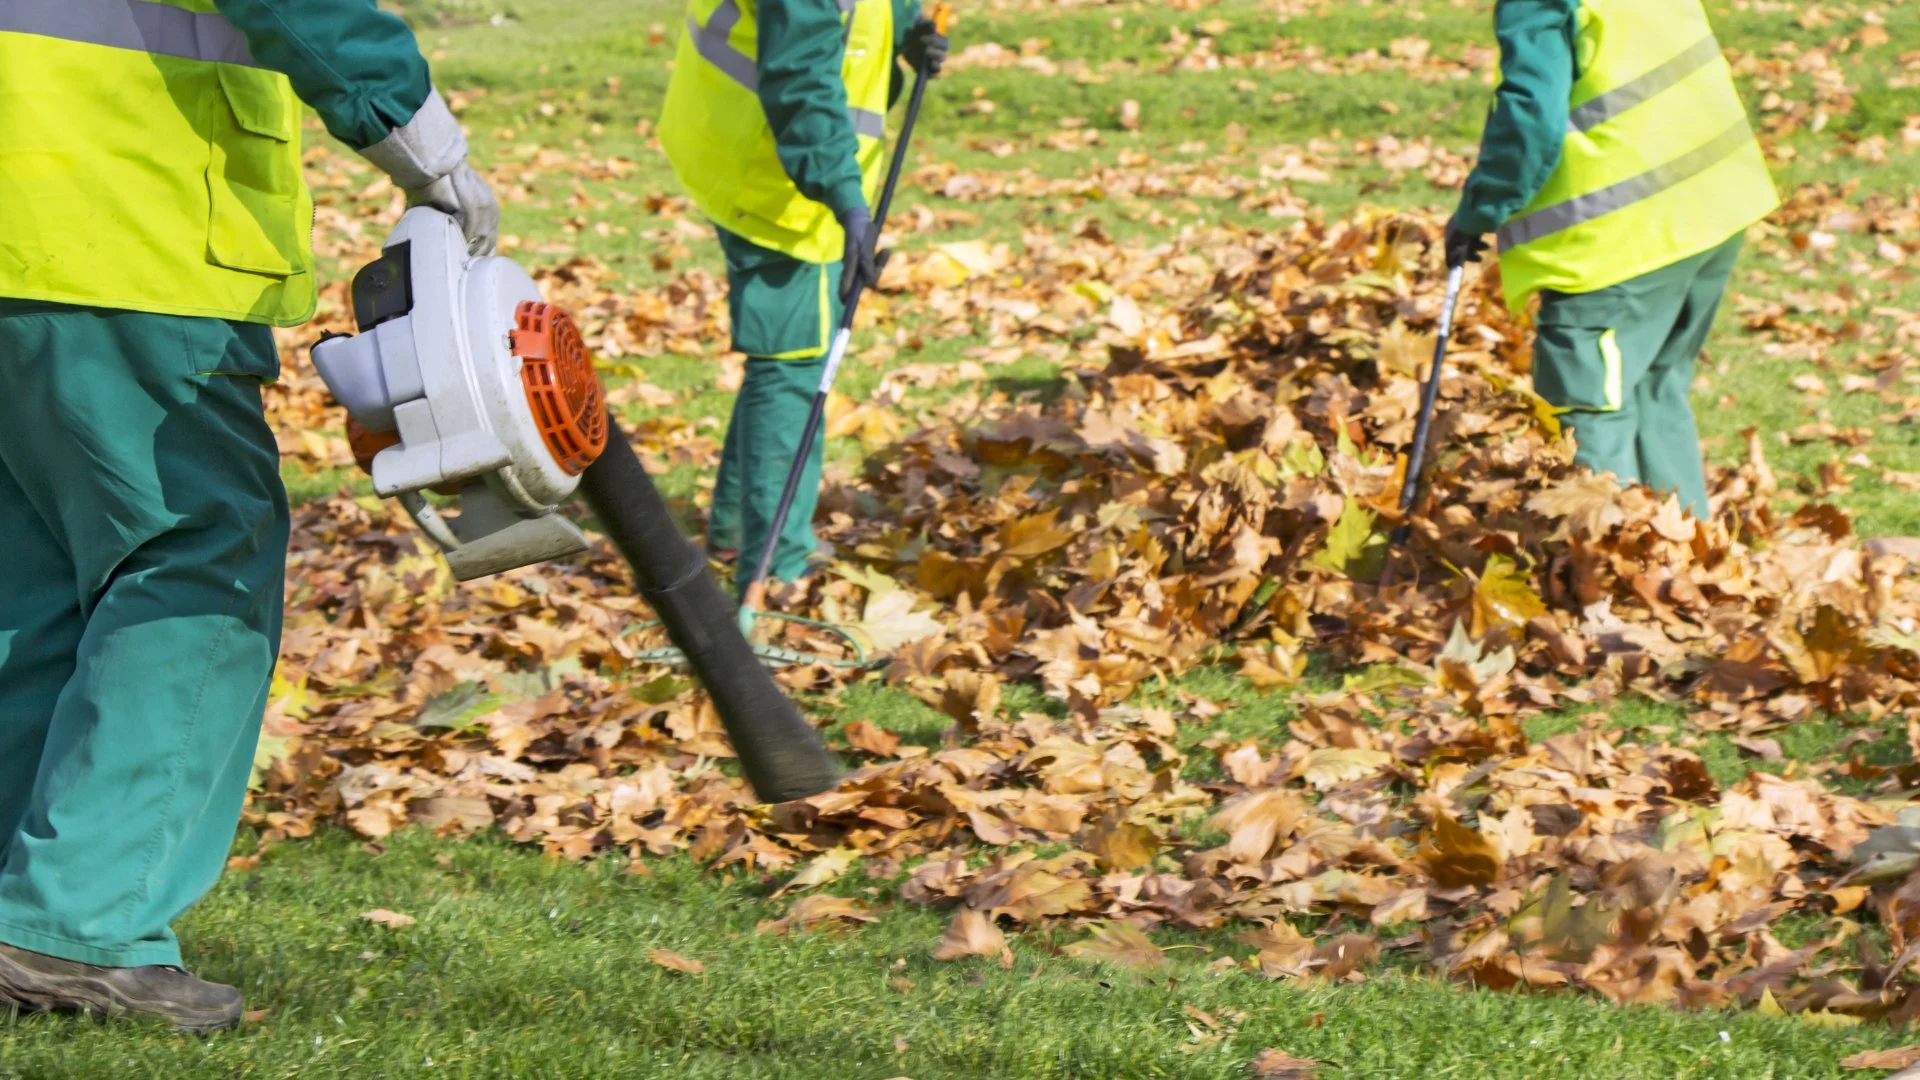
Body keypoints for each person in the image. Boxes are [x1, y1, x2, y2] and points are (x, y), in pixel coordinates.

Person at [0, 0, 496, 1031]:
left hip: (33, 219)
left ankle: (27, 894)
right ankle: (76, 925)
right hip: (119, 216)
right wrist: (429, 153)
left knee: (39, 569)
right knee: (195, 557)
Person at [1444, 0, 1778, 518]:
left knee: (1589, 412)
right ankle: (1690, 569)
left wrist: (1478, 210)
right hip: (1713, 201)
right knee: (1655, 387)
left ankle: (1610, 578)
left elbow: (1530, 118)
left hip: (1620, 233)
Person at [659, 0, 947, 585]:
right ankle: (779, 567)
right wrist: (846, 201)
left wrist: (905, 23)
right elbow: (801, 78)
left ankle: (739, 535)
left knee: (786, 350)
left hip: (761, 148)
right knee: (794, 361)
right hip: (771, 172)